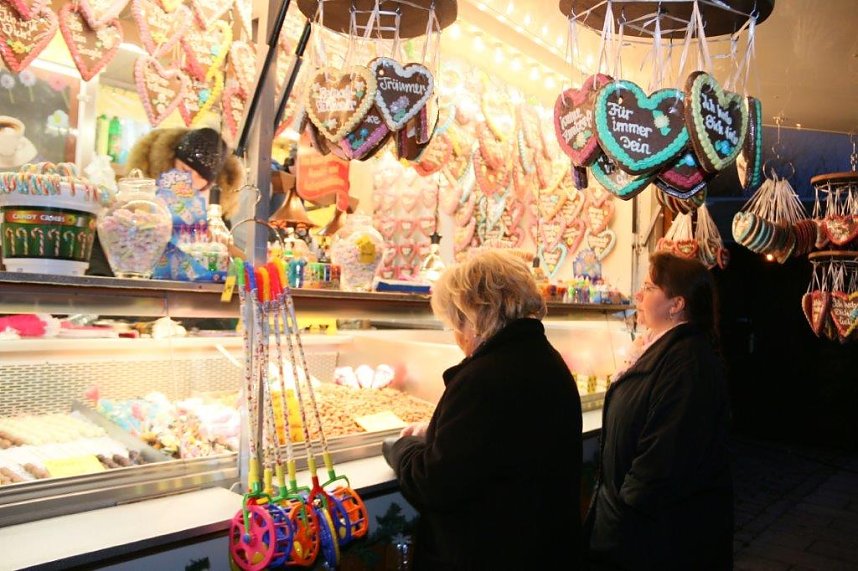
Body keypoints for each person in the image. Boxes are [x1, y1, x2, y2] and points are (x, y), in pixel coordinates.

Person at [382, 249, 584, 570]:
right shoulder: (543, 358)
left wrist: (402, 448)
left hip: (490, 551)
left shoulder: (485, 377)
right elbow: (497, 444)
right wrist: (435, 431)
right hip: (542, 547)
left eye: (454, 322)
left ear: (474, 315)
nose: (456, 335)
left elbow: (435, 483)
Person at [586, 252, 733, 570]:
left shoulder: (687, 363)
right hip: (637, 529)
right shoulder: (657, 348)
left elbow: (665, 457)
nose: (638, 294)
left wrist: (624, 509)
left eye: (650, 287)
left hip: (655, 538)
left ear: (677, 304)